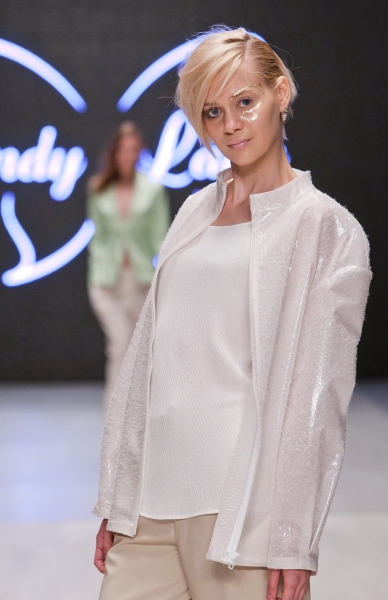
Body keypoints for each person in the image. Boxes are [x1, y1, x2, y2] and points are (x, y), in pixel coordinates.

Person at [93, 27, 372, 600]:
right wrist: (119, 497)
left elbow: (317, 398)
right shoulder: (195, 211)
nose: (230, 125)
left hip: (238, 514)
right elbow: (149, 361)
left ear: (281, 93)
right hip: (149, 505)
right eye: (212, 111)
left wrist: (292, 540)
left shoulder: (325, 228)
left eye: (245, 101)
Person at [87, 121, 170, 410]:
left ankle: (140, 411)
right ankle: (114, 411)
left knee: (141, 350)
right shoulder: (99, 189)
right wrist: (97, 271)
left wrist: (165, 270)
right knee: (120, 344)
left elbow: (160, 235)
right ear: (114, 152)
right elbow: (98, 237)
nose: (128, 155)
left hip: (140, 279)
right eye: (123, 149)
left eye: (133, 149)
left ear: (140, 152)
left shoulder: (152, 190)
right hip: (106, 280)